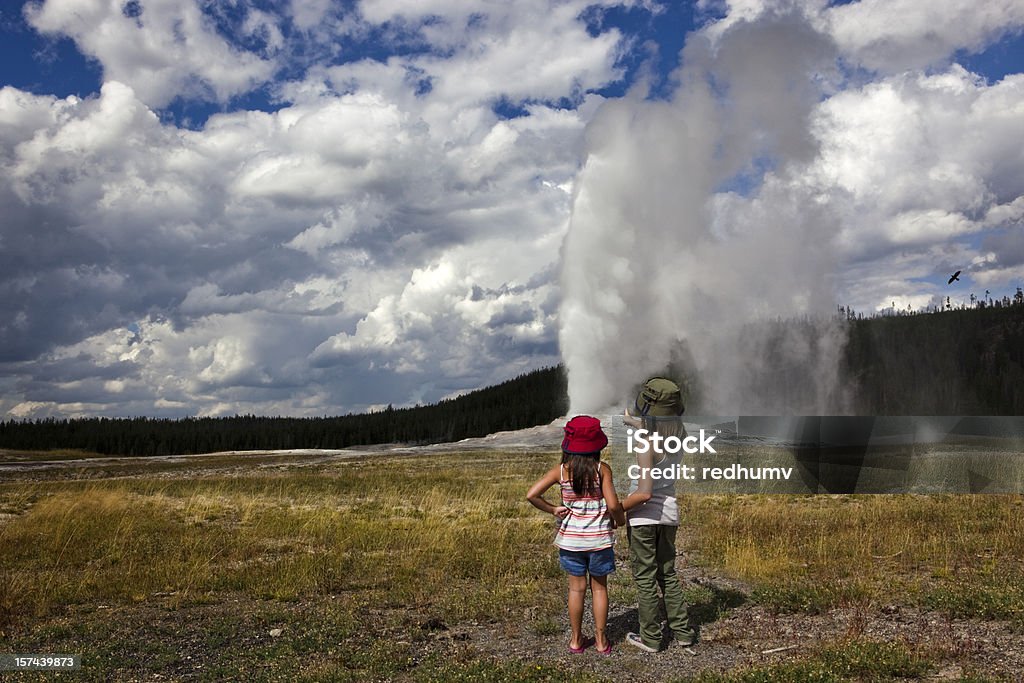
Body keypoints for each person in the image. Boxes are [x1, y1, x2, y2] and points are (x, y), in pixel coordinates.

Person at [526, 415, 625, 654]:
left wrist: (552, 509)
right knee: (599, 588)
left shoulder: (560, 471)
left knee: (576, 590)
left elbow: (532, 494)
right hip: (599, 540)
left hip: (570, 541)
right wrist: (619, 520)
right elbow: (613, 505)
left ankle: (576, 639)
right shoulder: (602, 470)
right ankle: (601, 641)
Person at [621, 377, 697, 653]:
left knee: (645, 577)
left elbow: (643, 492)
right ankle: (683, 632)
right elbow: (659, 428)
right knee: (668, 573)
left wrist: (615, 508)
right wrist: (634, 423)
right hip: (668, 515)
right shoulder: (681, 433)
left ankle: (651, 638)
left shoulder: (644, 444)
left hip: (643, 518)